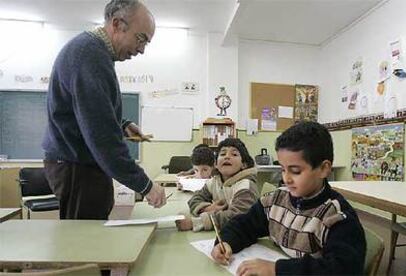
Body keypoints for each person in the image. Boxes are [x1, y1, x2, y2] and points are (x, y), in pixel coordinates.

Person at [42, 0, 166, 220]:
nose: (141, 50)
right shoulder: (89, 56)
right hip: (77, 166)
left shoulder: (92, 52)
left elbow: (89, 112)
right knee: (85, 243)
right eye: (141, 39)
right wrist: (146, 186)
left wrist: (122, 125)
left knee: (92, 235)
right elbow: (102, 138)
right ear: (117, 24)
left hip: (79, 162)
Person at [211, 121, 366, 275]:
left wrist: (277, 269)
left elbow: (343, 269)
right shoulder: (275, 199)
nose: (286, 179)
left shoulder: (336, 217)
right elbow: (244, 224)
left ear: (323, 169)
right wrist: (226, 242)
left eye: (296, 171)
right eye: (283, 170)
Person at [176, 138, 259, 232]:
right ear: (216, 164)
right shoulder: (214, 181)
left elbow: (239, 216)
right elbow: (195, 198)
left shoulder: (246, 186)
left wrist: (196, 222)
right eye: (223, 154)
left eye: (234, 154)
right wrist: (206, 208)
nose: (227, 157)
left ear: (244, 164)